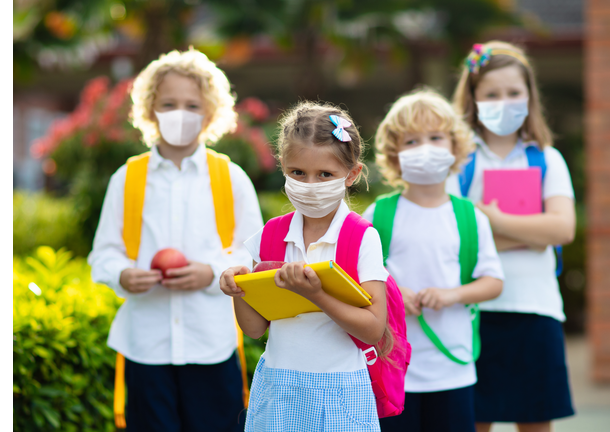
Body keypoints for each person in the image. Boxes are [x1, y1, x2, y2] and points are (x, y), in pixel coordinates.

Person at [88, 48, 263, 432]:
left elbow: (254, 255)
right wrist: (122, 275)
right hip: (145, 348)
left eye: (191, 104)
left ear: (211, 112)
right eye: (168, 103)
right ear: (149, 110)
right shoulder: (127, 178)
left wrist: (212, 271)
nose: (180, 113)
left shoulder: (230, 178)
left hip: (212, 346)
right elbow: (103, 253)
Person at [219, 101, 390, 432]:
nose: (310, 185)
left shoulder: (360, 239)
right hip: (279, 387)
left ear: (351, 174)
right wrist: (239, 289)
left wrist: (317, 295)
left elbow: (373, 329)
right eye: (298, 173)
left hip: (340, 388)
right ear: (282, 166)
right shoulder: (269, 236)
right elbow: (254, 328)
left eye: (325, 174)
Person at [450, 41, 577, 432]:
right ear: (472, 98)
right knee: (474, 420)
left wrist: (493, 219)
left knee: (536, 421)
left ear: (529, 96)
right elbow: (454, 237)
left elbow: (562, 229)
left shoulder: (547, 158)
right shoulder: (458, 160)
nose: (503, 102)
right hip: (474, 314)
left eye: (513, 93)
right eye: (491, 94)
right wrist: (531, 233)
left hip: (536, 311)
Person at [361, 89, 504, 432]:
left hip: (453, 369)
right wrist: (395, 294)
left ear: (455, 148)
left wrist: (451, 294)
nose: (425, 148)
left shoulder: (470, 217)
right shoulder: (377, 214)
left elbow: (493, 281)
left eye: (436, 137)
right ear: (394, 156)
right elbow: (358, 278)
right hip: (392, 368)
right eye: (411, 141)